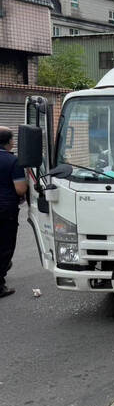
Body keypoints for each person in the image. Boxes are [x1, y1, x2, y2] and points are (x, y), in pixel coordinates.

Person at [0, 126, 27, 298]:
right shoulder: (12, 161)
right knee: (4, 246)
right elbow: (20, 189)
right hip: (5, 210)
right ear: (9, 142)